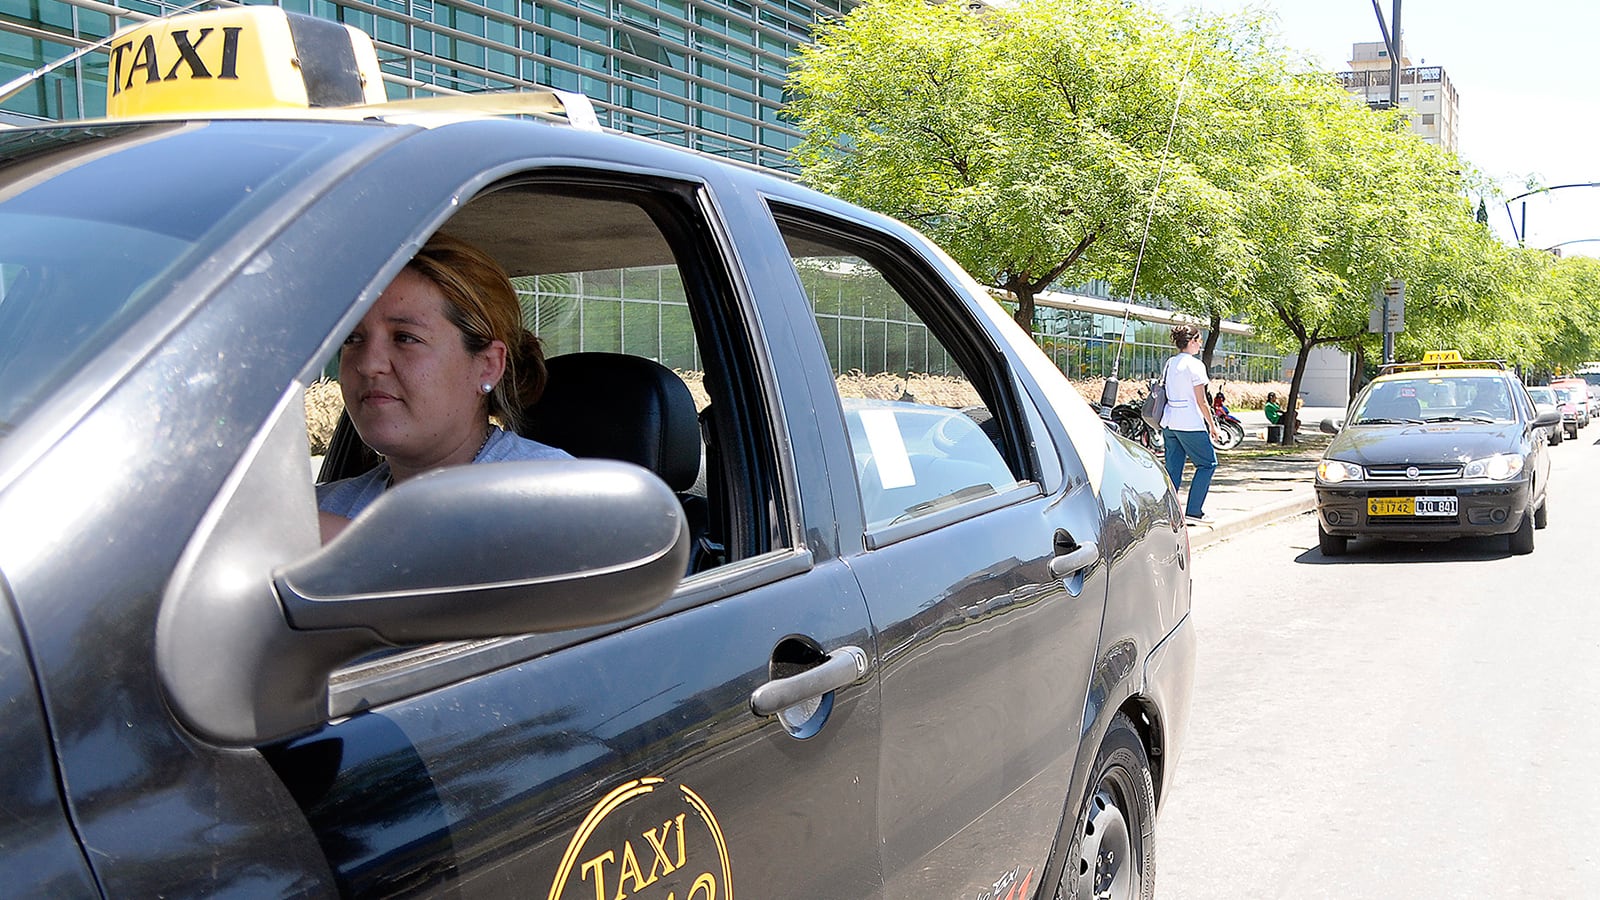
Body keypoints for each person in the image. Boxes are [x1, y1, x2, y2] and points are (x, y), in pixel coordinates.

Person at [317, 233, 571, 542]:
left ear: (488, 365)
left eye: (405, 338)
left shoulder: (555, 494)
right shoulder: (327, 506)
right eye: (352, 339)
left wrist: (337, 543)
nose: (369, 364)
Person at [1159, 324, 1221, 521]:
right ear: (1192, 341)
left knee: (1173, 469)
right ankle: (1194, 511)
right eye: (1199, 341)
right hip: (1190, 423)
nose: (1200, 345)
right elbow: (1201, 401)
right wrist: (1212, 425)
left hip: (1170, 422)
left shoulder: (1170, 362)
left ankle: (1168, 513)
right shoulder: (1195, 365)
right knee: (1207, 464)